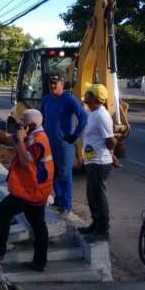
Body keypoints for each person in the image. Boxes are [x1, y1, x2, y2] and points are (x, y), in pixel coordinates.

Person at [0, 109, 54, 272]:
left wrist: (21, 140)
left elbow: (24, 161)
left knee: (3, 212)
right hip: (34, 190)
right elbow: (9, 139)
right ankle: (39, 262)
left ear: (32, 125)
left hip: (32, 191)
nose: (19, 124)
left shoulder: (39, 141)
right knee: (38, 225)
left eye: (22, 121)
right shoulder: (30, 136)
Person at [41, 72, 87, 216]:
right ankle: (59, 199)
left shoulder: (68, 99)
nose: (52, 86)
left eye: (56, 83)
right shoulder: (46, 99)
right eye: (51, 83)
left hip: (64, 145)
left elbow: (83, 117)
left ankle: (66, 206)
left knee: (65, 175)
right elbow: (42, 117)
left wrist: (75, 135)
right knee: (52, 173)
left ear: (62, 84)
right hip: (49, 144)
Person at [78, 83, 116, 242]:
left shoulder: (101, 115)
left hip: (99, 162)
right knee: (92, 196)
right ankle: (95, 224)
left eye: (88, 93)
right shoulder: (92, 112)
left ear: (94, 97)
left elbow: (111, 140)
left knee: (98, 197)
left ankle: (103, 231)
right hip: (92, 160)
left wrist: (109, 154)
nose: (85, 94)